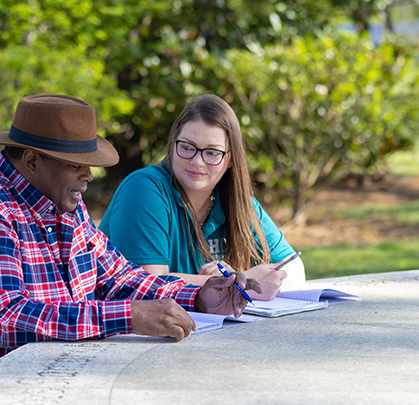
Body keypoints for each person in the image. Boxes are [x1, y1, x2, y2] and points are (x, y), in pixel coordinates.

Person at [0, 94, 260, 405]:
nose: (89, 175)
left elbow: (116, 277)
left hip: (47, 377)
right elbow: (7, 319)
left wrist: (197, 298)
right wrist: (130, 315)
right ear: (32, 160)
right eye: (76, 164)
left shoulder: (64, 202)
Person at [100, 94, 305, 300]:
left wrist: (234, 282)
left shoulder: (239, 203)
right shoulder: (144, 189)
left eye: (212, 153)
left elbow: (294, 268)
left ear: (231, 159)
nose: (197, 162)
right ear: (173, 145)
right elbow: (146, 285)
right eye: (187, 147)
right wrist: (239, 283)